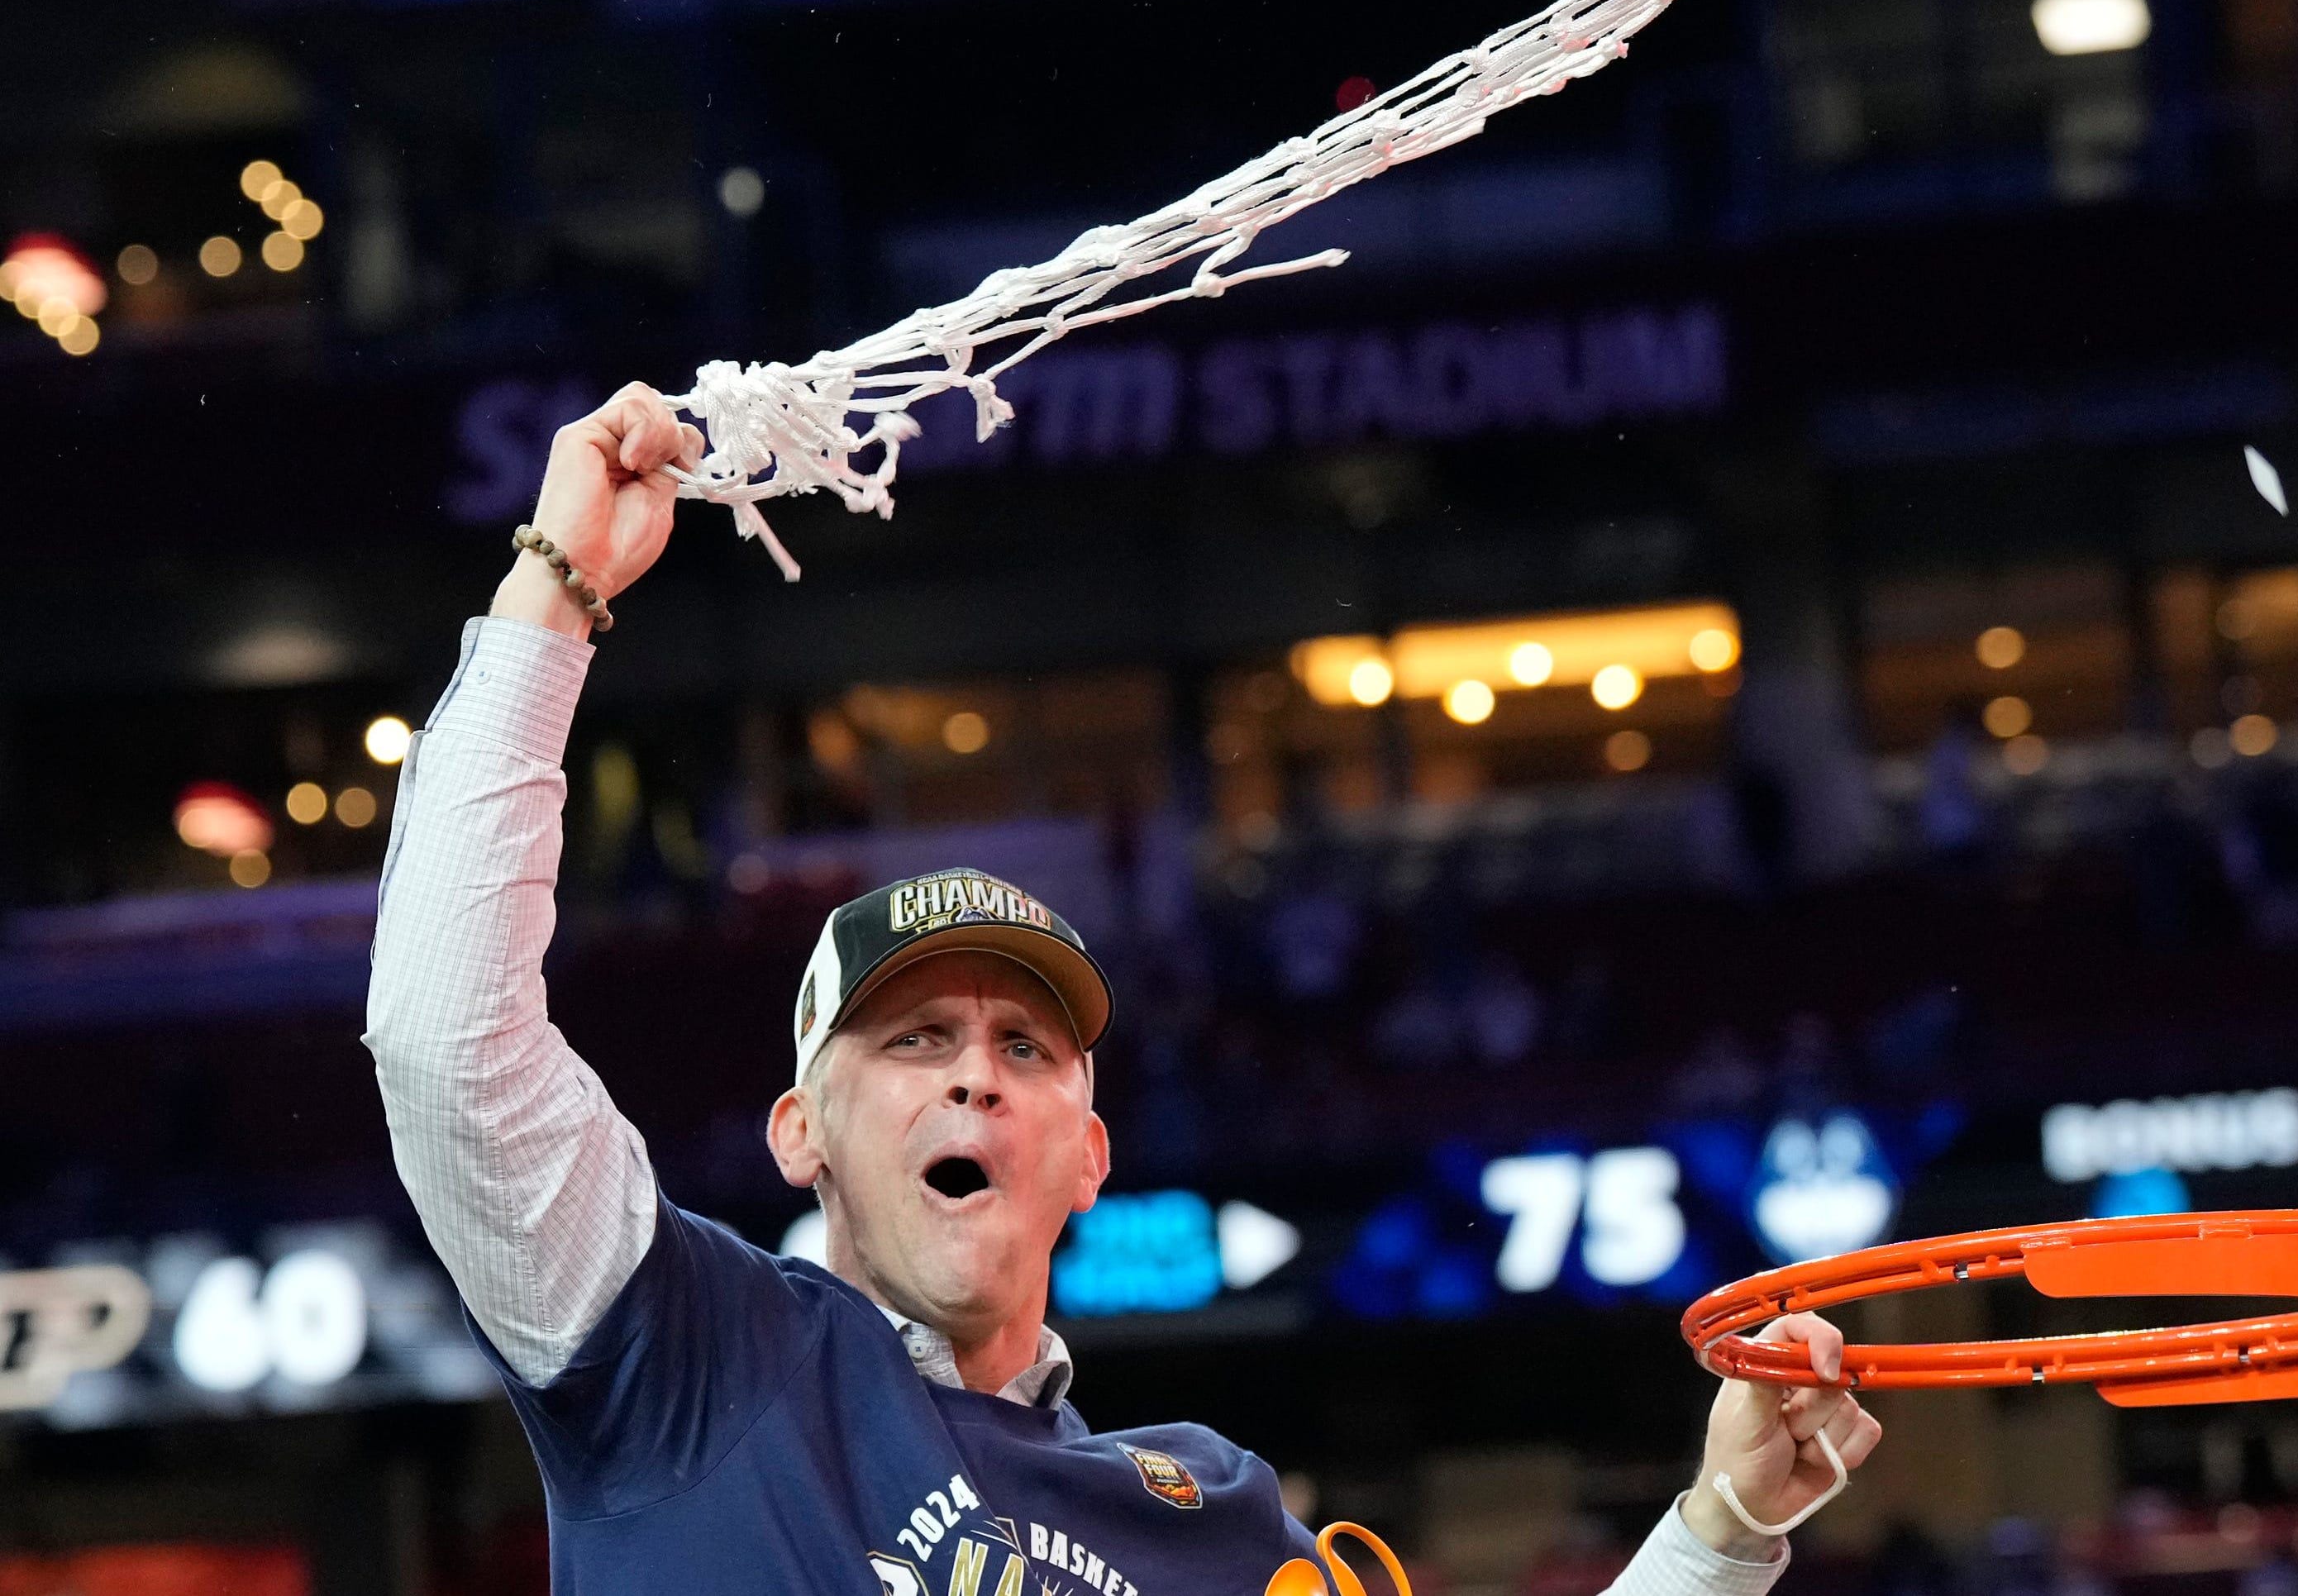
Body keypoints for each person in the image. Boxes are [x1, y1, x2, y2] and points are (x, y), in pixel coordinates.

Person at [363, 386, 1885, 1594]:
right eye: (914, 1038)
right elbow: (442, 1041)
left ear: (1089, 1151)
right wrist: (552, 588)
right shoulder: (685, 1345)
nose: (974, 1074)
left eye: (1023, 1045)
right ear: (798, 1131)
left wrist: (1724, 1521)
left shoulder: (1207, 1514)